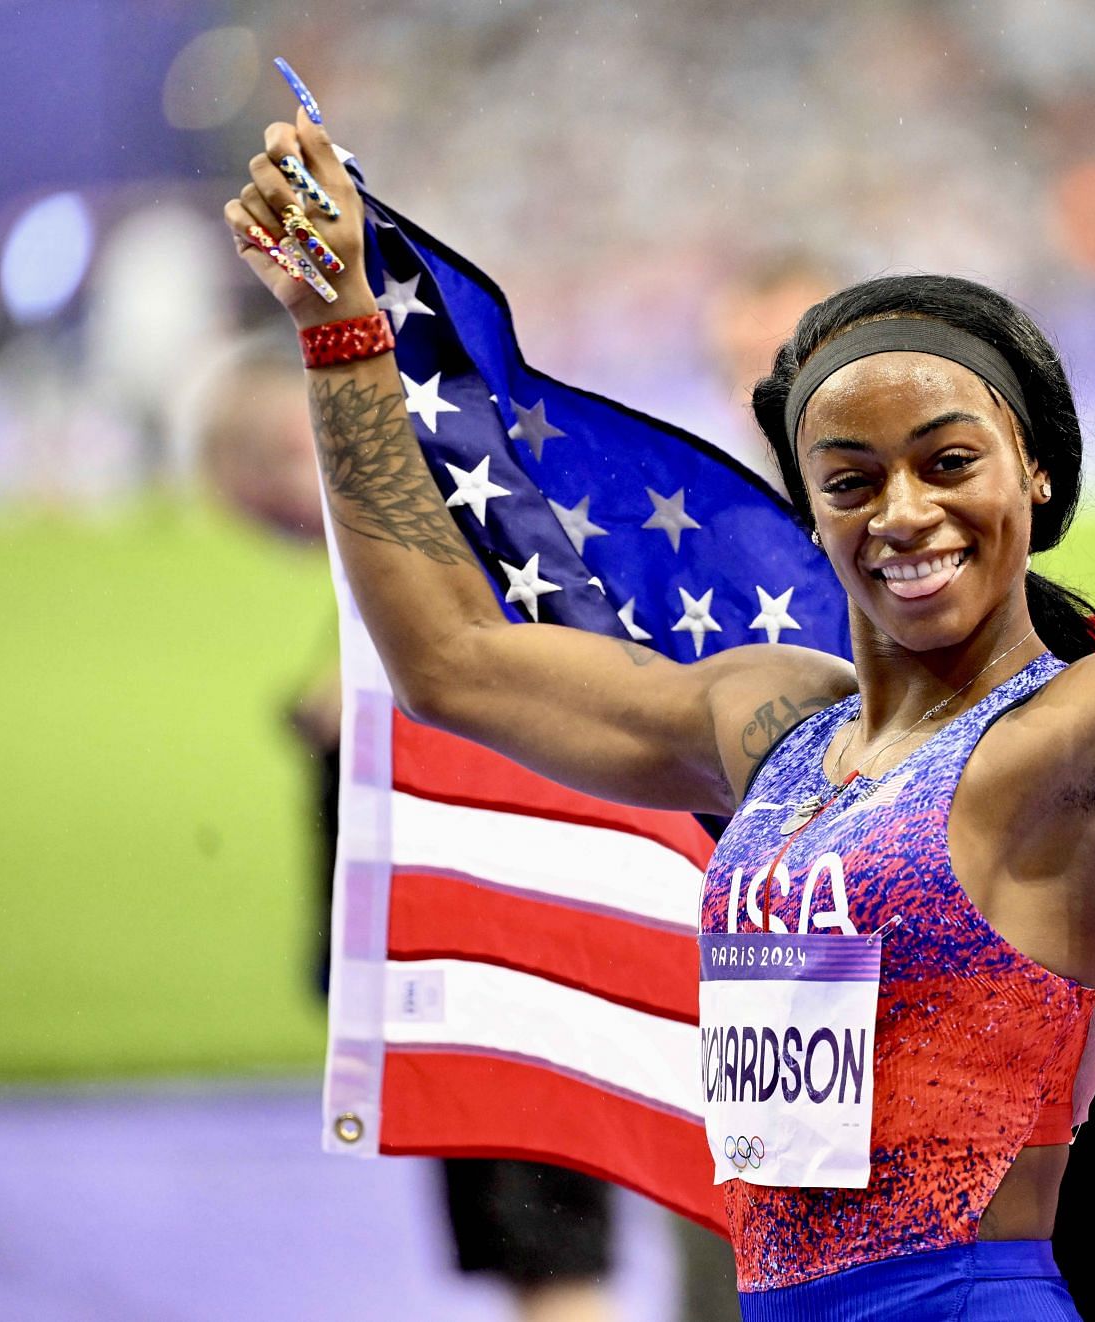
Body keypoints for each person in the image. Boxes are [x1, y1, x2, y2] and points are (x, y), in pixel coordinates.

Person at [224, 106, 1095, 1320]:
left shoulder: (1082, 734)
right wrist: (340, 328)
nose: (902, 511)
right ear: (810, 502)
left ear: (1031, 473)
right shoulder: (772, 726)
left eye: (948, 462)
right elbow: (455, 657)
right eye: (851, 479)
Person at [188, 334, 629, 1322]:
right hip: (483, 944)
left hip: (494, 944)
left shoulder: (445, 540)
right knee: (541, 1239)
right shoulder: (452, 535)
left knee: (546, 1247)